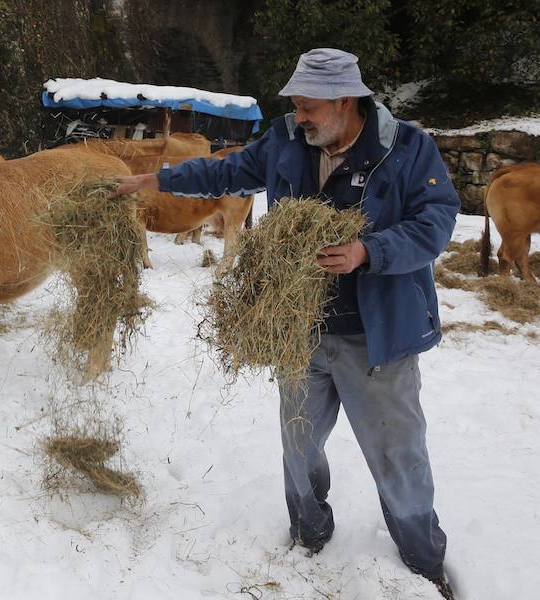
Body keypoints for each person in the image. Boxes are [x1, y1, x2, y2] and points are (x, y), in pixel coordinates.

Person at [116, 49, 459, 599]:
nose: (298, 115)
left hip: (377, 334)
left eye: (307, 106)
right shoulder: (286, 139)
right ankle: (308, 531)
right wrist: (157, 180)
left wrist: (369, 252)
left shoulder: (408, 148)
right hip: (299, 328)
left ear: (345, 102)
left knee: (398, 451)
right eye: (295, 105)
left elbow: (437, 220)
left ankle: (422, 555)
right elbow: (227, 170)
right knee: (298, 444)